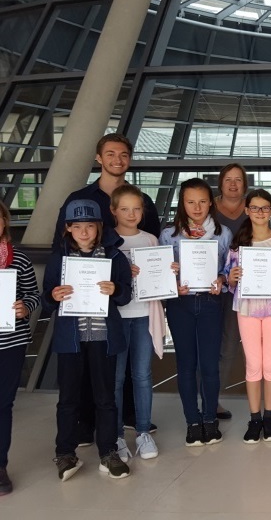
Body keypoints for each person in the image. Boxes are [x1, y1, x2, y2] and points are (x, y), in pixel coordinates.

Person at [52, 133, 160, 444]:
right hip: (86, 296)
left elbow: (151, 245)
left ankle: (128, 417)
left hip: (126, 299)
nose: (117, 159)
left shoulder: (144, 200)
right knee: (90, 363)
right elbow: (62, 245)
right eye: (110, 154)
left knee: (122, 367)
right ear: (99, 158)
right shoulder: (79, 198)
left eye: (123, 154)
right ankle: (88, 425)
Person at [43, 199, 132, 480]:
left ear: (99, 227)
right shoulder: (59, 259)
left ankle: (108, 452)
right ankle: (65, 453)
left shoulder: (115, 257)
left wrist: (115, 288)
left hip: (103, 337)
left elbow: (126, 295)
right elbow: (47, 300)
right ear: (68, 228)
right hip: (71, 338)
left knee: (105, 398)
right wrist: (53, 296)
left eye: (90, 226)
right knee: (68, 398)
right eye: (77, 226)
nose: (84, 232)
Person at [159, 178, 232, 447]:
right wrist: (172, 276)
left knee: (210, 366)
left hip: (212, 303)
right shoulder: (169, 235)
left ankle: (210, 419)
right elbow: (159, 272)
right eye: (191, 201)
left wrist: (222, 280)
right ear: (183, 203)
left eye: (202, 201)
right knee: (186, 365)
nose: (197, 207)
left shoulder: (223, 233)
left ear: (211, 202)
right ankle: (192, 421)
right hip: (181, 306)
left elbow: (227, 268)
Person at [224, 190, 271, 444]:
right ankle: (255, 419)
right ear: (247, 210)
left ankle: (270, 416)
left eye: (265, 208)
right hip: (247, 310)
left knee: (270, 364)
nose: (260, 213)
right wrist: (232, 277)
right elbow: (229, 279)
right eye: (255, 208)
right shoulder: (238, 244)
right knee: (253, 365)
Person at [110, 185, 168, 462]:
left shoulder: (150, 240)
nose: (131, 214)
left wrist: (170, 273)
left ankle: (143, 431)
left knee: (143, 375)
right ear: (114, 211)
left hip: (144, 314)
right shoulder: (107, 242)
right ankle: (118, 435)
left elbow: (161, 278)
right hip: (116, 319)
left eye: (136, 208)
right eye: (125, 209)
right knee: (117, 378)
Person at [0, 201, 40, 495]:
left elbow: (34, 296)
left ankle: (0, 466)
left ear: (5, 222)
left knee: (3, 406)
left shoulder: (20, 260)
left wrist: (25, 308)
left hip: (10, 344)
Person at [214, 163, 251, 421]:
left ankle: (214, 399)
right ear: (221, 183)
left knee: (229, 344)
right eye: (229, 180)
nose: (233, 185)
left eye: (238, 180)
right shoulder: (208, 207)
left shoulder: (252, 208)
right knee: (207, 342)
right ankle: (201, 397)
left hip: (242, 288)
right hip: (209, 286)